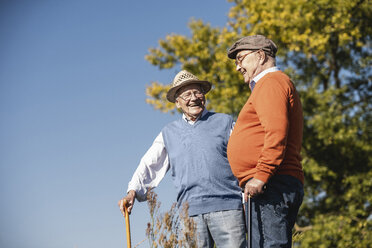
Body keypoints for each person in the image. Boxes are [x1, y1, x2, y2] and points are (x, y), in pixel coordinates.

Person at [118, 70, 246, 248]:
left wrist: (246, 195)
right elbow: (149, 163)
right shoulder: (169, 133)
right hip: (190, 212)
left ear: (204, 96)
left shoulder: (224, 122)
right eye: (186, 94)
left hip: (228, 207)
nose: (193, 98)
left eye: (197, 92)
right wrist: (132, 191)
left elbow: (244, 159)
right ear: (177, 102)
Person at [226, 35, 304, 247]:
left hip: (271, 183)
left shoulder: (270, 82)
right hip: (268, 184)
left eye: (241, 59)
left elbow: (276, 132)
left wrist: (261, 175)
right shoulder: (268, 85)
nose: (238, 67)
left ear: (260, 56)